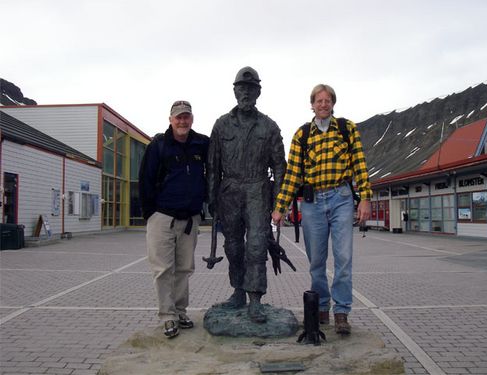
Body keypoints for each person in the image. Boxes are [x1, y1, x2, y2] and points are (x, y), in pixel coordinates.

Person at [272, 84, 372, 335]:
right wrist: (280, 207)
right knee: (316, 261)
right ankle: (322, 308)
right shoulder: (302, 135)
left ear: (333, 103)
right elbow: (293, 174)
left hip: (341, 198)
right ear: (312, 105)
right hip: (312, 203)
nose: (323, 104)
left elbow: (360, 165)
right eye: (319, 100)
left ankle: (342, 313)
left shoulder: (347, 129)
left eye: (328, 100)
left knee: (343, 258)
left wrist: (365, 199)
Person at [207, 66, 286, 323]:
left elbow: (279, 166)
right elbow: (213, 165)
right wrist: (211, 197)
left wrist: (279, 201)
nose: (246, 93)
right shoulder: (220, 125)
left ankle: (255, 299)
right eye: (241, 88)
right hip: (229, 191)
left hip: (258, 190)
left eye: (251, 89)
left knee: (256, 246)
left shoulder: (269, 126)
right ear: (234, 91)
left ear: (258, 92)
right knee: (233, 247)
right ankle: (238, 291)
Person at [139, 100, 209, 338]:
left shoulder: (202, 144)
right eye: (178, 117)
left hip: (189, 219)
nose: (182, 121)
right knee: (163, 270)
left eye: (186, 117)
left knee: (184, 269)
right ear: (170, 120)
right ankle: (167, 316)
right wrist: (151, 214)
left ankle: (180, 312)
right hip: (162, 218)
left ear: (192, 119)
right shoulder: (158, 145)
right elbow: (145, 180)